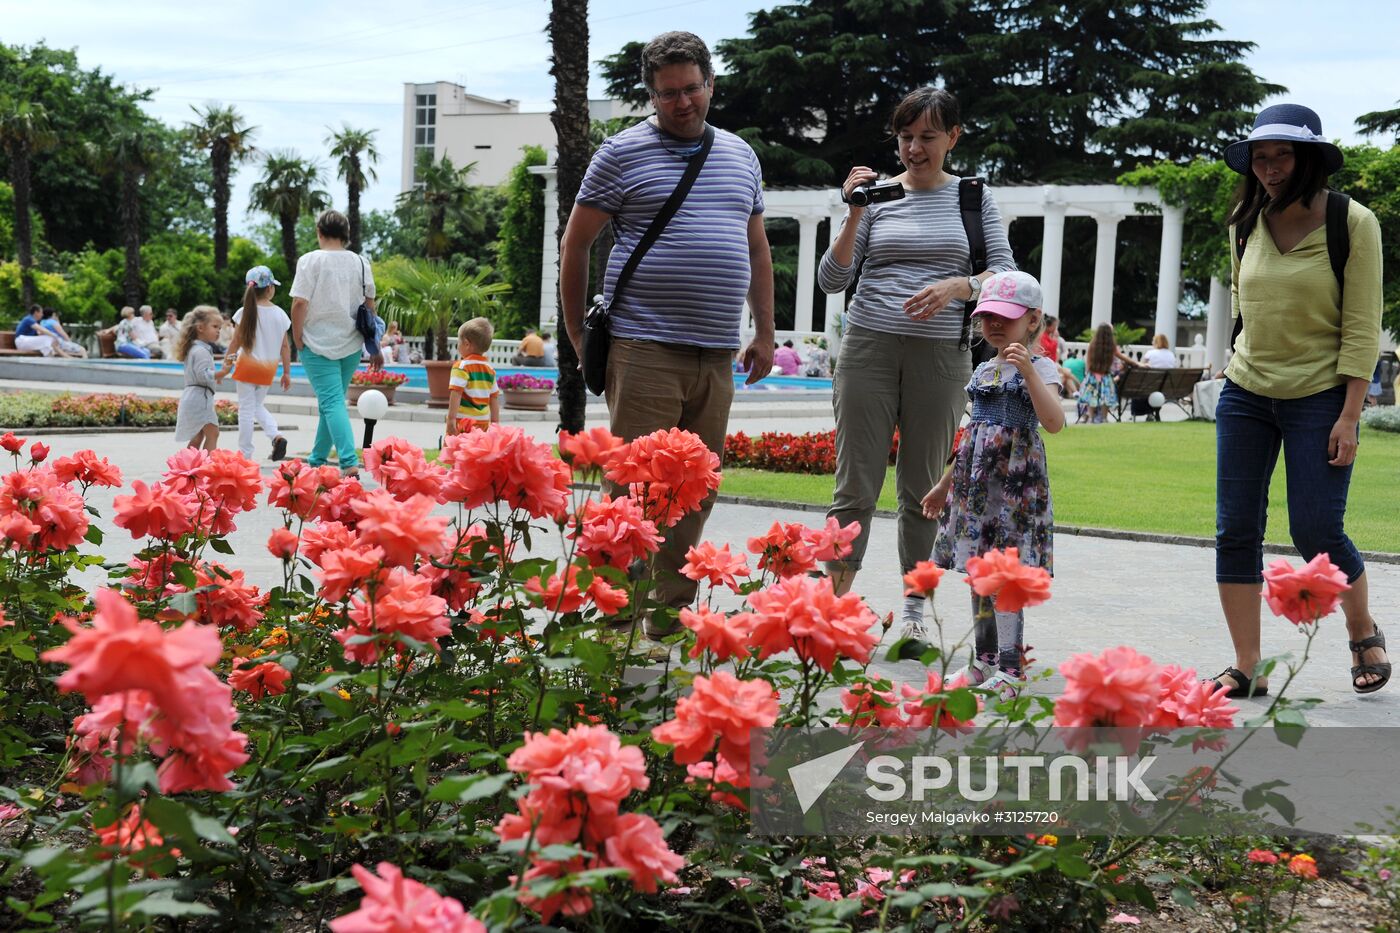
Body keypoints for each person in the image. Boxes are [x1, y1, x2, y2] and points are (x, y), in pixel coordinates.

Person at [559, 30, 775, 635]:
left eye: (691, 89)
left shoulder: (740, 155)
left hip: (716, 354)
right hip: (644, 349)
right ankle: (616, 621)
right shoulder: (621, 154)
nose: (682, 103)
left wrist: (764, 331)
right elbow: (576, 244)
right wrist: (577, 335)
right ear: (651, 96)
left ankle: (665, 619)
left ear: (711, 84)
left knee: (695, 492)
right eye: (667, 94)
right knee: (633, 490)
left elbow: (757, 248)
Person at [816, 85, 1014, 637]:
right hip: (868, 348)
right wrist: (854, 212)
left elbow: (1006, 275)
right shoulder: (876, 197)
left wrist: (959, 286)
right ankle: (829, 611)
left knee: (922, 489)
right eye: (905, 137)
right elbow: (831, 279)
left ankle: (913, 614)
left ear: (953, 137)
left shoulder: (973, 197)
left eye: (928, 136)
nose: (914, 149)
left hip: (941, 355)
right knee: (854, 485)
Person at [1207, 103, 1387, 698]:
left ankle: (1360, 627)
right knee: (1236, 529)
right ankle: (1247, 665)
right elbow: (1244, 304)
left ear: (1308, 158)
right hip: (1246, 393)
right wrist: (1235, 359)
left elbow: (1361, 326)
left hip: (1321, 396)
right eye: (1260, 157)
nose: (1269, 167)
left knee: (1316, 530)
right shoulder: (1245, 222)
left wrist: (1350, 415)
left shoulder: (1351, 222)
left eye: (1282, 154)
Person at [922, 271, 1064, 695]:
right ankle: (984, 663)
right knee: (979, 573)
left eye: (1006, 316)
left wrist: (1029, 372)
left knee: (1005, 576)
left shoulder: (1041, 368)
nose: (995, 324)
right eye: (987, 317)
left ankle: (1011, 670)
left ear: (1033, 320)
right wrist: (944, 485)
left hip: (1015, 492)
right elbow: (973, 436)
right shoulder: (984, 369)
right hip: (976, 492)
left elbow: (1053, 422)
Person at [289, 209, 382, 476]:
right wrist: (374, 343)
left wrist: (297, 336)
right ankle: (317, 460)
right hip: (351, 344)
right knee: (331, 403)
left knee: (331, 403)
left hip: (316, 343)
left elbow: (299, 303)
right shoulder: (361, 262)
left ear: (319, 232)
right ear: (346, 234)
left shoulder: (309, 260)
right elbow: (370, 304)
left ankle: (348, 462)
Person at [215, 265, 292, 461]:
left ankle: (245, 455)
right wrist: (287, 372)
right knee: (256, 405)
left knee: (247, 410)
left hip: (246, 368)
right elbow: (285, 346)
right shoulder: (280, 314)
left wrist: (226, 367)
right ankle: (275, 435)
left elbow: (235, 343)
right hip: (268, 370)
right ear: (269, 289)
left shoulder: (244, 312)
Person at [174, 306, 223, 451]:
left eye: (220, 328)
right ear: (200, 328)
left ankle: (187, 464)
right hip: (201, 398)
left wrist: (215, 377)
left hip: (193, 396)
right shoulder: (201, 351)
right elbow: (203, 375)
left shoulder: (195, 348)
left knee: (198, 436)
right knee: (213, 433)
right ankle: (208, 464)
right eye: (215, 326)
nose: (218, 331)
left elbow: (200, 373)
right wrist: (222, 373)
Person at [446, 318, 501, 435]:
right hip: (483, 422)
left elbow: (456, 393)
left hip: (463, 422)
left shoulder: (461, 367)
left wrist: (451, 419)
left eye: (458, 342)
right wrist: (495, 424)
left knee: (457, 446)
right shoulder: (490, 369)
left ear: (466, 344)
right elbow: (494, 398)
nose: (457, 346)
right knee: (478, 447)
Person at [1075, 323, 1137, 423]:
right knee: (1106, 397)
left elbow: (1088, 361)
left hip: (1093, 374)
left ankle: (1091, 417)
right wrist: (1137, 363)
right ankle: (1104, 418)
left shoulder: (1093, 344)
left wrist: (1088, 374)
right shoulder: (1111, 346)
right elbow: (1123, 357)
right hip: (1106, 376)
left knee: (1091, 395)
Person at [1038, 315, 1077, 396]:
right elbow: (1048, 351)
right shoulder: (1043, 336)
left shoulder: (1047, 336)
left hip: (1051, 362)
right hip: (1046, 363)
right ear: (1049, 326)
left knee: (1067, 375)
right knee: (1067, 373)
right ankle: (1079, 389)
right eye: (1055, 326)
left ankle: (1075, 392)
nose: (1055, 328)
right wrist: (1054, 340)